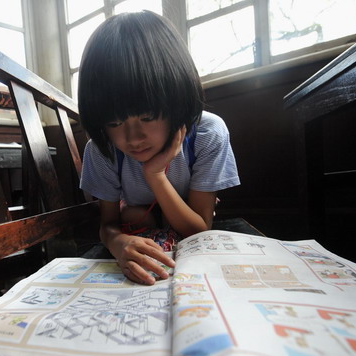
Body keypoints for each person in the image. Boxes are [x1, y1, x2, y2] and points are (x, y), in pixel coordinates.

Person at [78, 11, 240, 285]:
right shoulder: (102, 148)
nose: (133, 138)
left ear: (177, 101)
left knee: (165, 215)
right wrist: (118, 243)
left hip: (187, 213)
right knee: (135, 214)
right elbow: (108, 225)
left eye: (147, 116)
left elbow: (199, 229)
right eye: (115, 121)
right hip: (138, 216)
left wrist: (155, 174)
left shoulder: (207, 132)